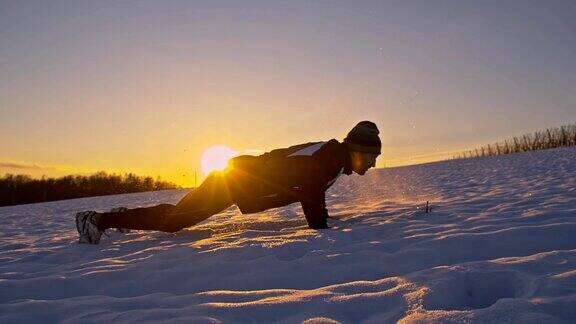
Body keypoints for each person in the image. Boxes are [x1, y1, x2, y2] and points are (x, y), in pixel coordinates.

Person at [75, 121, 381, 244]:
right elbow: (310, 188)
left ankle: (122, 215)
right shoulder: (331, 157)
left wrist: (322, 219)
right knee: (174, 222)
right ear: (359, 151)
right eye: (372, 156)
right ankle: (96, 219)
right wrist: (320, 229)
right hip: (235, 182)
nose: (373, 163)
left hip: (238, 182)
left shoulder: (334, 158)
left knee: (177, 215)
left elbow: (301, 178)